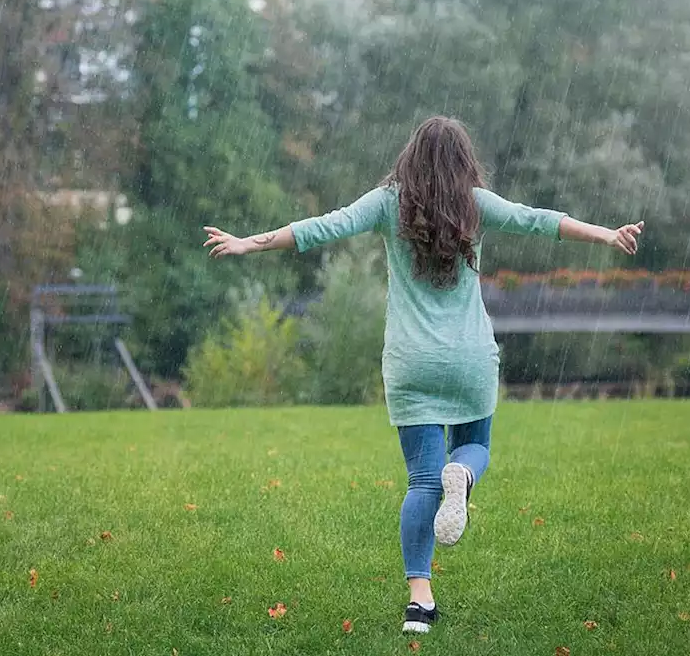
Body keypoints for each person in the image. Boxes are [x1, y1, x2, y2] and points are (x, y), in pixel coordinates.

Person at [202, 116, 644, 635]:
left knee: (421, 480)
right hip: (469, 359)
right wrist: (607, 235)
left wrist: (249, 243)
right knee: (474, 447)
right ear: (464, 160)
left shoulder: (389, 203)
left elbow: (325, 226)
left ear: (410, 155)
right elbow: (538, 220)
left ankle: (419, 603)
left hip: (412, 364)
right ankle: (465, 476)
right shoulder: (475, 204)